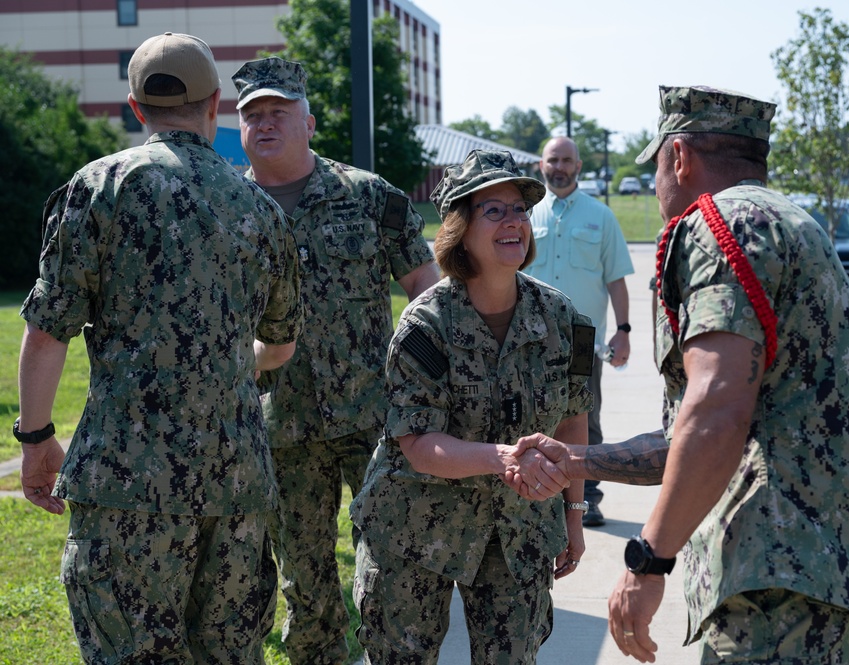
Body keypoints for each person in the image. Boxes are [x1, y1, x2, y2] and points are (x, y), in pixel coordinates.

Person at [512, 86, 849, 663]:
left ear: (679, 157)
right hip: (820, 562)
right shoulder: (787, 220)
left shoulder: (720, 227)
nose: (654, 184)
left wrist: (647, 561)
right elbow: (700, 432)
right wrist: (576, 461)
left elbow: (717, 411)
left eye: (655, 165)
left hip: (780, 570)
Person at [15, 33, 302, 664]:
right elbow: (279, 346)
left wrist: (36, 440)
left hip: (126, 483)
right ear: (217, 104)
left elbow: (47, 332)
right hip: (236, 485)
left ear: (135, 107)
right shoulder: (260, 209)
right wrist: (225, 365)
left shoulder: (99, 186)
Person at [232, 56, 439, 662]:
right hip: (277, 427)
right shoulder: (226, 208)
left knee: (396, 567)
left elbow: (428, 299)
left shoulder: (371, 197)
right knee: (305, 582)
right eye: (253, 115)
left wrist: (430, 391)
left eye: (279, 112)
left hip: (373, 421)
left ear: (309, 120)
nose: (265, 124)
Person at [349, 149, 592, 663]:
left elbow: (574, 419)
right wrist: (502, 458)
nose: (514, 222)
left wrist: (573, 514)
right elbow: (417, 443)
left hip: (516, 531)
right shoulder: (424, 326)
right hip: (415, 527)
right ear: (460, 227)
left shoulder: (568, 320)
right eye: (495, 210)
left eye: (521, 210)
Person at [522, 136, 634, 527]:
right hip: (529, 336)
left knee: (587, 419)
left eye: (567, 159)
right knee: (529, 416)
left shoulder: (600, 216)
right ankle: (535, 494)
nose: (559, 166)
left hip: (583, 338)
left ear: (578, 166)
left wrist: (623, 330)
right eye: (553, 159)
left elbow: (617, 278)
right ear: (541, 165)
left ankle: (588, 498)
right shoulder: (525, 214)